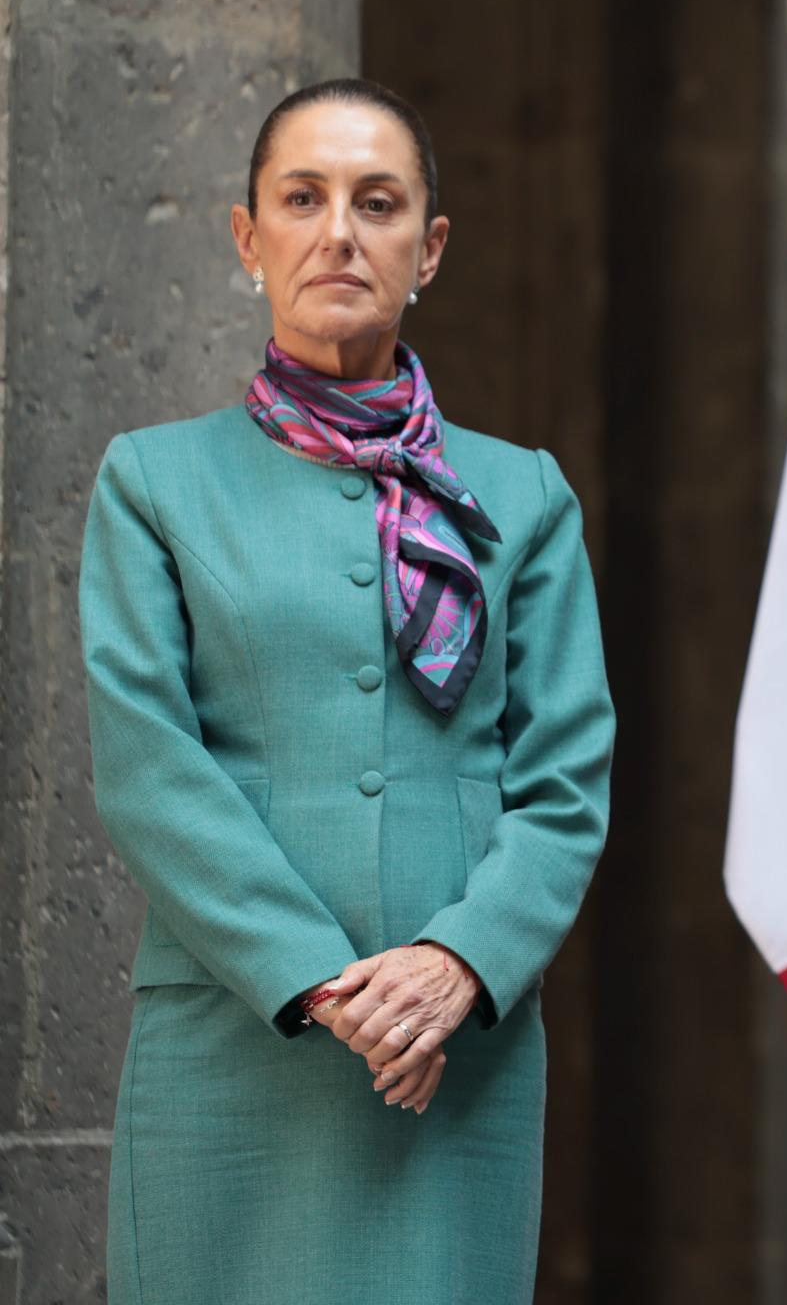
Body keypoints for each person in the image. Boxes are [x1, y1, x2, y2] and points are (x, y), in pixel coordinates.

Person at [80, 79, 614, 1302]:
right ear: (246, 236)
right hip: (236, 1043)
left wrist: (458, 964)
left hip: (451, 1053)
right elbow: (150, 768)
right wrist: (328, 984)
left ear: (429, 247)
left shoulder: (523, 496)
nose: (338, 232)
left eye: (377, 203)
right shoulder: (154, 482)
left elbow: (567, 783)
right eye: (302, 198)